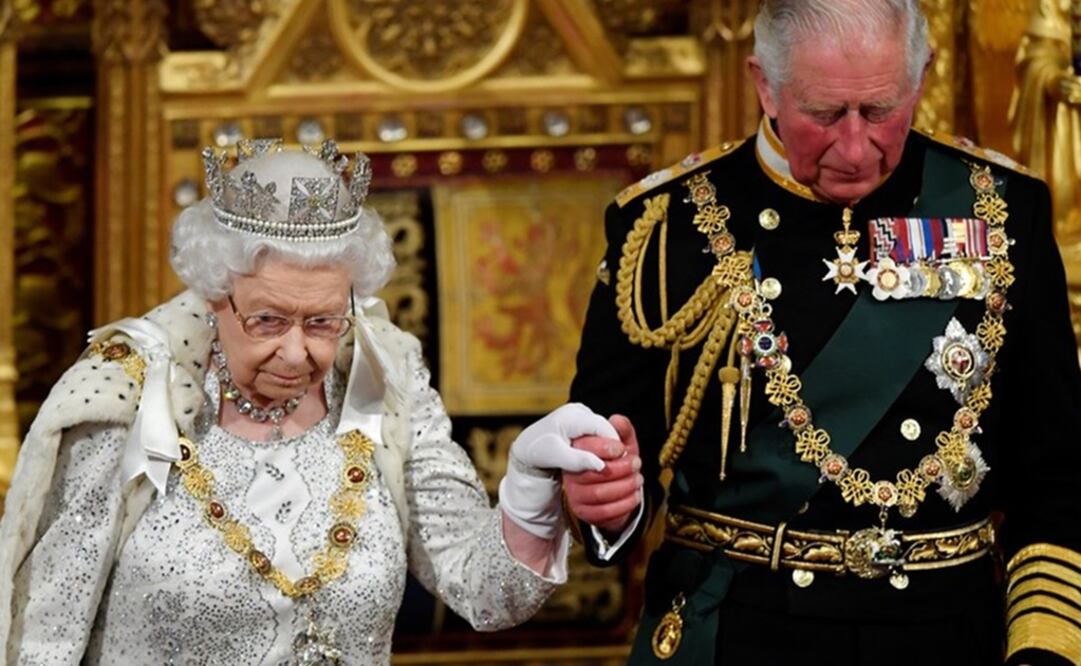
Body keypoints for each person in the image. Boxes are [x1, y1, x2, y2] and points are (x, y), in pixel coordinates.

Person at [563, 1, 1081, 664]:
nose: (856, 147)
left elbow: (1057, 475)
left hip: (945, 636)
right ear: (764, 85)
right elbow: (610, 463)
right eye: (825, 114)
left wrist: (1041, 650)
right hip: (737, 633)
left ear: (920, 77)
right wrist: (607, 504)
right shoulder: (666, 227)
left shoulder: (1001, 211)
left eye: (880, 110)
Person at [0, 138, 618, 664]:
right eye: (267, 320)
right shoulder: (125, 399)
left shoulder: (387, 382)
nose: (297, 353)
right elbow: (43, 636)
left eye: (322, 322)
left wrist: (530, 489)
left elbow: (488, 594)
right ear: (215, 295)